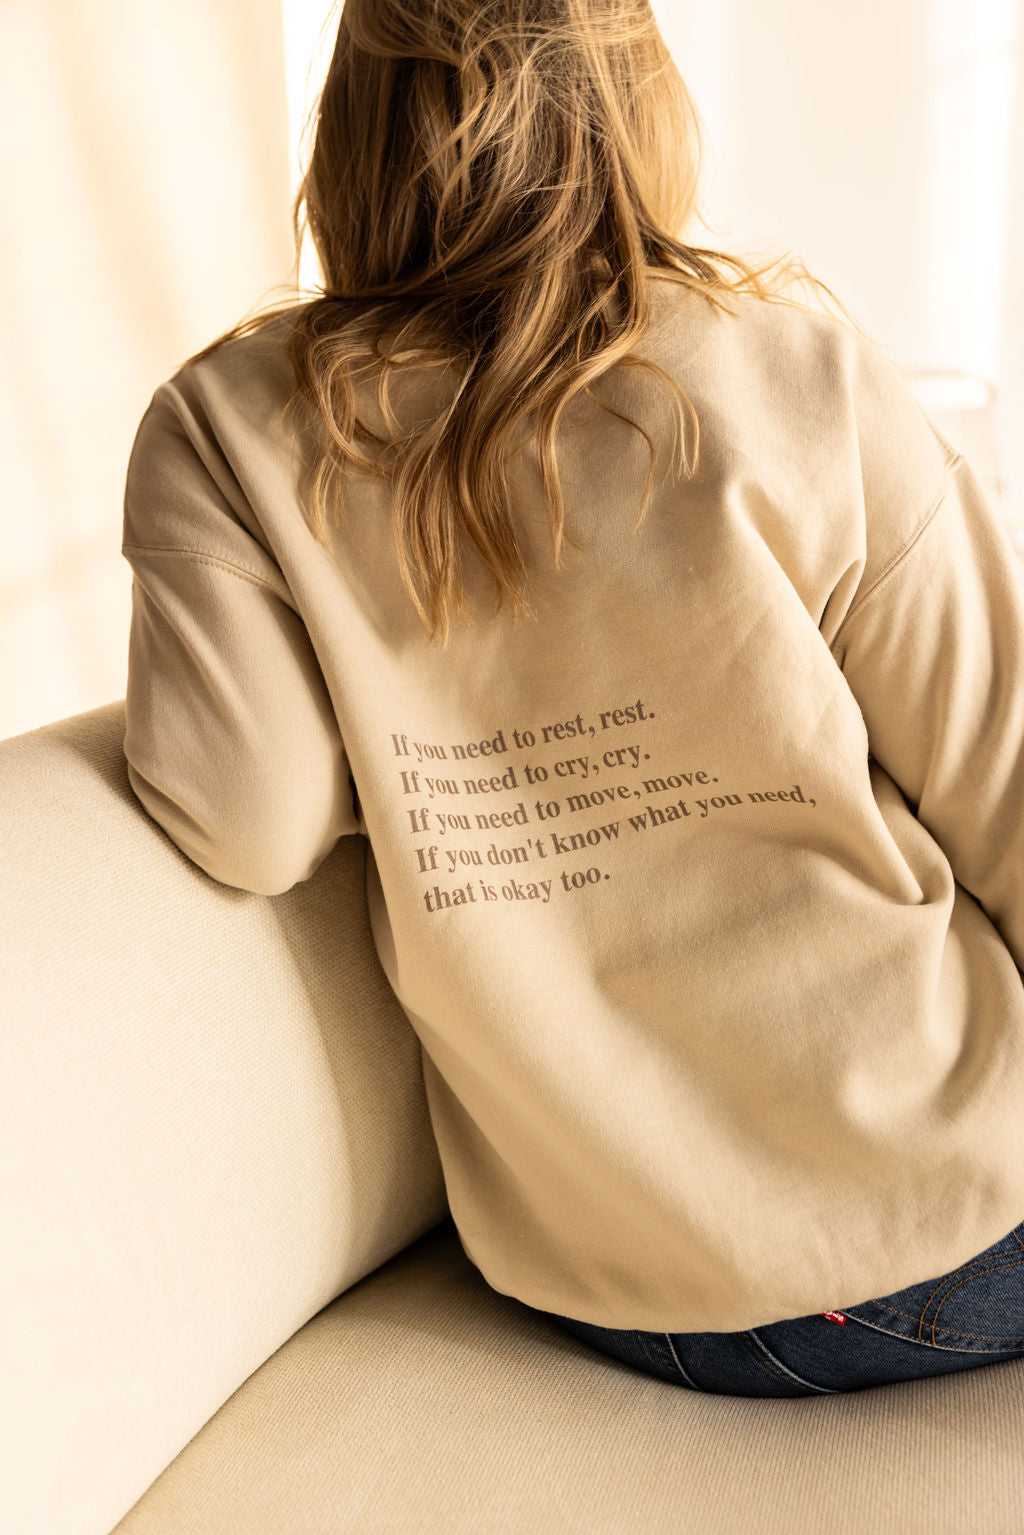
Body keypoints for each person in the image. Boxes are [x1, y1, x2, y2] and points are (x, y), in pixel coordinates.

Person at [120, 0, 1024, 1398]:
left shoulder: (225, 426)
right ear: (635, 104)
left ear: (351, 131)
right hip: (954, 1211)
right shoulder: (792, 371)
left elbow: (249, 822)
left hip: (614, 1286)